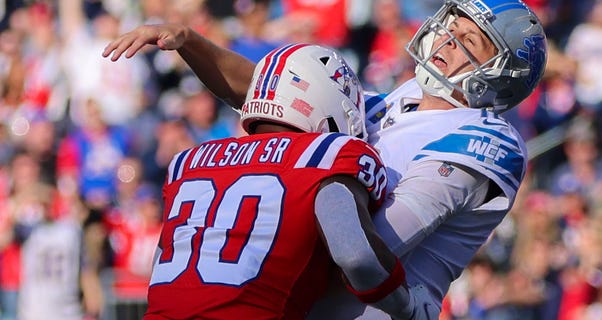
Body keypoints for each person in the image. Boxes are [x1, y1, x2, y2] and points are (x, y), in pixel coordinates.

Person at [103, 0, 548, 318]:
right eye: (451, 25)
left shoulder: (488, 141)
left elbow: (367, 250)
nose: (447, 41)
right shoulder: (394, 102)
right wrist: (189, 43)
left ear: (501, 75)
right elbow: (273, 91)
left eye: (469, 41)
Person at [141, 44, 427, 319]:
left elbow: (162, 263)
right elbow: (356, 256)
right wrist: (408, 306)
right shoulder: (328, 153)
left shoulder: (188, 161)